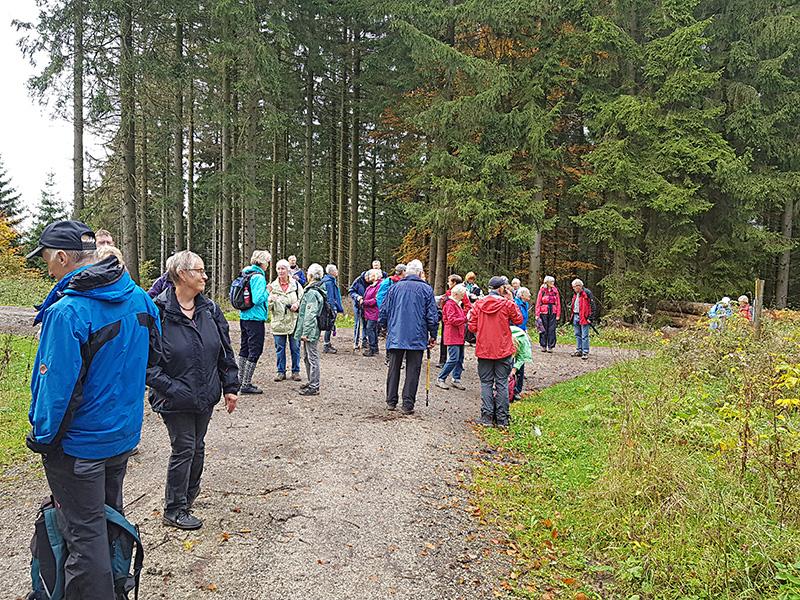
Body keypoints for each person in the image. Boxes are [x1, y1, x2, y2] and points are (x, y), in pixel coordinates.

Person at [26, 221, 159, 598]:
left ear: (63, 257)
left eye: (48, 261)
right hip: (121, 438)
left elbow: (55, 390)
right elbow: (155, 357)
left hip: (78, 447)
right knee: (107, 521)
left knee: (85, 537)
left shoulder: (68, 312)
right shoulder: (139, 298)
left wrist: (43, 438)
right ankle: (114, 588)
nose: (48, 269)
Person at [147, 250, 238, 530]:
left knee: (197, 447)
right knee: (184, 447)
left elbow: (224, 349)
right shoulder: (157, 312)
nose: (205, 276)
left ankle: (188, 496)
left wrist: (230, 386)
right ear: (182, 275)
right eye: (199, 270)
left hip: (205, 395)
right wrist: (173, 389)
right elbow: (147, 365)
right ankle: (174, 508)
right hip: (174, 398)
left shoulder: (209, 309)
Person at [378, 259, 438, 414]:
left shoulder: (395, 287)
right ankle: (407, 404)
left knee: (393, 368)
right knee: (413, 370)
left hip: (396, 334)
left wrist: (383, 325)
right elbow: (432, 314)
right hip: (416, 336)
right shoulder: (426, 289)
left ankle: (391, 401)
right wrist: (433, 334)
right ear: (420, 273)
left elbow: (384, 309)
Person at [468, 276, 524, 428]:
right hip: (503, 349)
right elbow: (519, 320)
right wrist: (511, 299)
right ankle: (502, 419)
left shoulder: (478, 304)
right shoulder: (507, 304)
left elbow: (471, 327)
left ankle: (486, 417)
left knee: (486, 383)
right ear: (501, 289)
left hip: (484, 349)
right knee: (502, 383)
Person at [237, 250, 271, 394]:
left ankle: (239, 381)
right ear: (262, 263)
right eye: (267, 262)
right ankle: (246, 384)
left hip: (244, 315)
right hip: (255, 318)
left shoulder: (246, 272)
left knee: (244, 347)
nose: (268, 265)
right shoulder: (258, 277)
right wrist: (268, 291)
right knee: (255, 349)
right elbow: (257, 299)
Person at [268, 259, 304, 381]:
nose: (280, 271)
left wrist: (297, 305)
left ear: (288, 270)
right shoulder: (272, 286)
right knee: (280, 348)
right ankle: (281, 372)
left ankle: (296, 371)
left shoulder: (296, 285)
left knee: (295, 347)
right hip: (278, 322)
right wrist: (270, 300)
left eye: (283, 268)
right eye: (278, 269)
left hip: (294, 322)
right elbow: (266, 307)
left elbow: (303, 299)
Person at [293, 263, 326, 396]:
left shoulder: (312, 292)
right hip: (310, 328)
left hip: (310, 329)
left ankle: (314, 386)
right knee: (307, 356)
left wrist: (306, 332)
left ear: (311, 276)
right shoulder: (315, 289)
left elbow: (310, 314)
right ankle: (311, 381)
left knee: (312, 357)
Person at [436, 283, 468, 390]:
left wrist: (465, 314)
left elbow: (458, 316)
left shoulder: (456, 304)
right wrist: (465, 318)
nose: (464, 297)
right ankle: (441, 378)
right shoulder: (450, 304)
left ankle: (456, 379)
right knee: (454, 358)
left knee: (460, 358)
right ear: (457, 294)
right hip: (452, 335)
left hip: (459, 335)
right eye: (462, 295)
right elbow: (451, 320)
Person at [512, 286, 531, 399]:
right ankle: (511, 388)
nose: (529, 295)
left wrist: (525, 330)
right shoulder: (515, 303)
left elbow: (524, 319)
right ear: (522, 295)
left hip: (522, 332)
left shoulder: (526, 304)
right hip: (515, 334)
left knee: (521, 361)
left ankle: (518, 389)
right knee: (511, 361)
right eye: (528, 294)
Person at [570, 279, 596, 359]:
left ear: (579, 286)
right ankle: (579, 350)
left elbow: (592, 306)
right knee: (577, 334)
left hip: (584, 317)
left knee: (585, 335)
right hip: (575, 315)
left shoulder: (587, 293)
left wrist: (590, 317)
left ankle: (585, 351)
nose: (573, 288)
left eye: (574, 287)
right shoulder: (575, 294)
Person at [322, 264, 344, 353]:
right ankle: (326, 344)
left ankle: (327, 343)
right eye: (336, 270)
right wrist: (333, 308)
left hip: (330, 307)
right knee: (329, 325)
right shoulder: (329, 282)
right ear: (331, 272)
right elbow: (330, 297)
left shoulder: (331, 280)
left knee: (330, 325)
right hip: (330, 308)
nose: (337, 271)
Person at [535, 276, 561, 353]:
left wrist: (558, 314)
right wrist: (537, 314)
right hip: (543, 311)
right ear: (547, 282)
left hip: (553, 311)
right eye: (551, 282)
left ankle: (551, 346)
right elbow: (538, 302)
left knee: (552, 329)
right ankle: (543, 345)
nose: (553, 283)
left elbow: (558, 303)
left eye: (553, 282)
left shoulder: (555, 291)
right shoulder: (542, 291)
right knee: (543, 329)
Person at [362, 268, 384, 356]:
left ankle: (372, 348)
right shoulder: (371, 285)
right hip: (369, 311)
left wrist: (365, 302)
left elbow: (376, 299)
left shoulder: (379, 285)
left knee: (370, 328)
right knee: (373, 329)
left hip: (374, 311)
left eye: (370, 275)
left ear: (375, 276)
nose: (368, 276)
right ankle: (375, 347)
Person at [348, 269, 370, 349]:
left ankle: (365, 341)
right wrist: (357, 297)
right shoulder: (358, 280)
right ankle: (356, 342)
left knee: (366, 325)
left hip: (368, 306)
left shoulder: (372, 282)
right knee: (357, 324)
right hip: (358, 306)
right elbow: (351, 291)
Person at [510, 324, 532, 402]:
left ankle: (517, 391)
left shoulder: (524, 342)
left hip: (521, 339)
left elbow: (522, 358)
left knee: (520, 368)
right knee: (508, 365)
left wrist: (515, 369)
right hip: (509, 340)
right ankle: (508, 389)